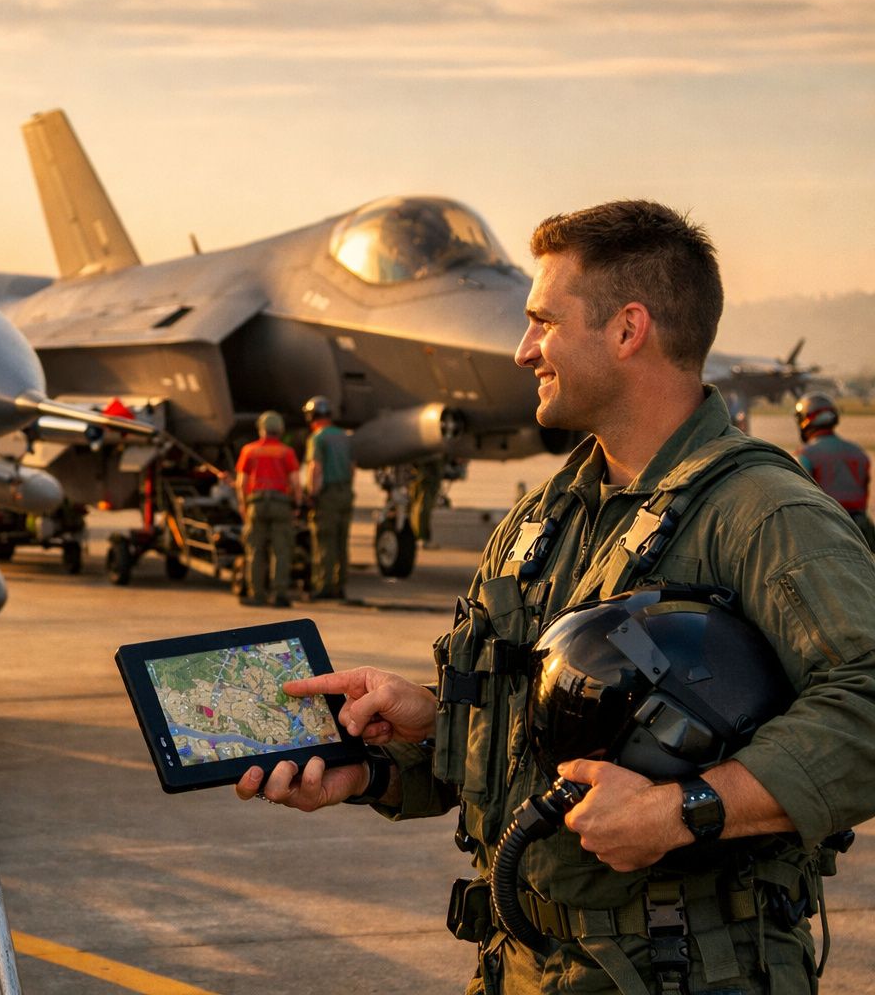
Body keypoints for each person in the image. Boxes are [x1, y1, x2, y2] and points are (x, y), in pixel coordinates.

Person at [235, 200, 875, 994]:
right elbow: (541, 739)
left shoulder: (762, 514)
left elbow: (866, 695)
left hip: (686, 971)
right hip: (523, 965)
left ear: (627, 329)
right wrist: (393, 753)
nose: (522, 349)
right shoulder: (540, 521)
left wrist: (686, 810)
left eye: (543, 321)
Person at [793, 392, 875, 549]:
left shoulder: (804, 456)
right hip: (862, 531)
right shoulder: (858, 453)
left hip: (827, 530)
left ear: (804, 419)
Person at [235, 410, 300, 607]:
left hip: (256, 503)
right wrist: (296, 504)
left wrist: (243, 505)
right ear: (280, 430)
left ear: (261, 430)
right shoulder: (286, 452)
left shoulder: (249, 450)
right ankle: (280, 594)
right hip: (280, 504)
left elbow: (241, 483)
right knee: (281, 551)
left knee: (255, 550)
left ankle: (257, 594)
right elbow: (295, 482)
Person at [300, 395, 354, 598]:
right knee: (342, 541)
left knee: (324, 542)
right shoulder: (344, 436)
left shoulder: (318, 438)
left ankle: (323, 587)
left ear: (312, 416)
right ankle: (340, 586)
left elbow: (316, 467)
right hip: (345, 493)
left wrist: (312, 494)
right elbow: (352, 467)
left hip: (328, 495)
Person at [407, 454, 445, 547]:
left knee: (422, 508)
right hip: (426, 481)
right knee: (423, 508)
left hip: (429, 481)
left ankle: (421, 536)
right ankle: (422, 537)